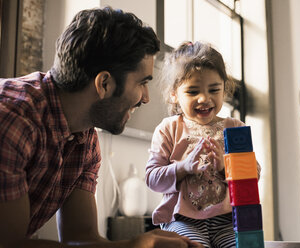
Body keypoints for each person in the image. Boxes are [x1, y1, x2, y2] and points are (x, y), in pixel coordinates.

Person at [0, 7, 203, 248]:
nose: (146, 97)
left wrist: (141, 244)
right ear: (104, 83)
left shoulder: (85, 139)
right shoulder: (13, 121)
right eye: (142, 83)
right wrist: (133, 246)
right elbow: (10, 244)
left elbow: (80, 238)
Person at [145, 41, 261, 248]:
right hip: (183, 221)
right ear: (174, 94)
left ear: (224, 89)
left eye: (214, 89)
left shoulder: (234, 127)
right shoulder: (168, 129)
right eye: (192, 92)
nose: (204, 98)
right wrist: (183, 167)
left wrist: (226, 166)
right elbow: (152, 179)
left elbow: (254, 174)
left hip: (228, 221)